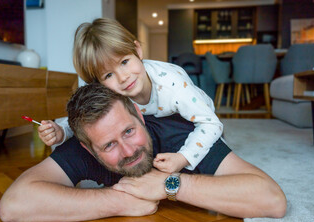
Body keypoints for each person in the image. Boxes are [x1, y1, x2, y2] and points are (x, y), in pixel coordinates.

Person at [0, 84, 286, 222]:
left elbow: (271, 199)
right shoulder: (83, 145)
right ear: (87, 148)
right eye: (108, 146)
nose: (128, 151)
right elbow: (13, 204)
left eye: (128, 131)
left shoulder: (182, 132)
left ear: (139, 113)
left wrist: (169, 185)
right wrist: (117, 201)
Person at [38, 18, 223, 173]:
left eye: (125, 62)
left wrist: (183, 158)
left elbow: (211, 123)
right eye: (108, 75)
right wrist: (62, 131)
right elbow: (88, 120)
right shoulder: (111, 92)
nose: (123, 77)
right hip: (151, 119)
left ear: (138, 51)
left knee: (207, 149)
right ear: (98, 84)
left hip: (192, 116)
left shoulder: (173, 85)